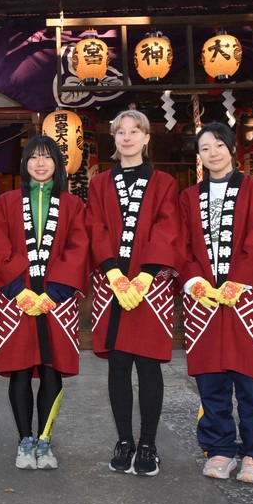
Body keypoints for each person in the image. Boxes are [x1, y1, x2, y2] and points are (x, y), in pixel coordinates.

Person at [179, 122, 253, 485]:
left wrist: (240, 279)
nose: (212, 152)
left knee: (252, 381)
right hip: (205, 304)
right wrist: (195, 280)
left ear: (231, 149)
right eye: (205, 147)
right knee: (210, 381)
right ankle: (220, 449)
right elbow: (183, 245)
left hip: (247, 301)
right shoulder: (188, 197)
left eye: (218, 145)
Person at [0, 135, 89, 470]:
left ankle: (45, 440)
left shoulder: (72, 205)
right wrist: (18, 291)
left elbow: (78, 248)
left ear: (58, 164)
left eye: (47, 158)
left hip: (56, 301)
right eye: (33, 158)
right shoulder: (7, 202)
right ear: (25, 163)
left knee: (51, 369)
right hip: (18, 301)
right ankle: (23, 439)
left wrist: (54, 294)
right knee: (19, 371)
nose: (40, 164)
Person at [84, 109, 181, 477]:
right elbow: (94, 225)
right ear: (114, 138)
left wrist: (146, 276)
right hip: (112, 285)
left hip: (149, 287)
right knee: (119, 365)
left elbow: (167, 227)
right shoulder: (99, 183)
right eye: (120, 131)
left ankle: (149, 444)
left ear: (145, 138)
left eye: (134, 131)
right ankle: (124, 440)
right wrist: (111, 270)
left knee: (148, 364)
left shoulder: (163, 183)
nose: (126, 137)